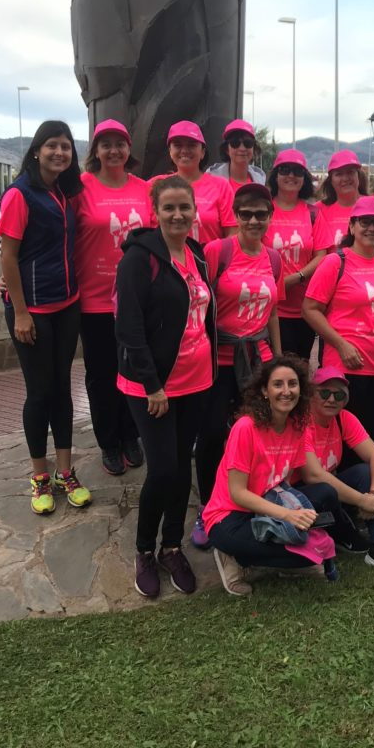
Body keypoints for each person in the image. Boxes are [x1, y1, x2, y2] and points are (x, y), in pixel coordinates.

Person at [115, 176, 216, 598]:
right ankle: (144, 550)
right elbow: (129, 326)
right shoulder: (139, 259)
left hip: (197, 381)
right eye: (169, 208)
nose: (178, 215)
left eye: (184, 208)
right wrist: (153, 384)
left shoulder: (196, 254)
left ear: (195, 212)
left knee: (180, 469)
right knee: (163, 470)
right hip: (152, 387)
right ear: (155, 211)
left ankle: (172, 546)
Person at [0, 120, 92, 514]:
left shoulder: (65, 194)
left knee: (62, 390)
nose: (59, 153)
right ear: (36, 150)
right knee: (39, 393)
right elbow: (8, 256)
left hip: (66, 305)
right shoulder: (21, 194)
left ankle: (65, 471)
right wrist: (20, 311)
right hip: (31, 311)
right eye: (52, 145)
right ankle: (39, 475)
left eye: (66, 147)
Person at [192, 183, 285, 547]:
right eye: (245, 213)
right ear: (234, 215)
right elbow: (198, 300)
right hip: (219, 359)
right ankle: (207, 507)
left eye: (261, 214)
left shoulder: (274, 259)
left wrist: (277, 361)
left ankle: (250, 497)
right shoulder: (218, 251)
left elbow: (273, 309)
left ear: (269, 218)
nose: (253, 220)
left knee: (255, 434)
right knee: (213, 435)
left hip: (257, 361)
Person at [203, 356, 338, 597]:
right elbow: (238, 493)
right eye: (278, 384)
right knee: (307, 551)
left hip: (269, 504)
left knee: (325, 494)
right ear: (265, 391)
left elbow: (292, 480)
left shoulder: (297, 425)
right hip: (230, 516)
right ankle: (233, 557)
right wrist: (289, 515)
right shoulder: (245, 427)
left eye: (293, 384)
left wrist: (302, 509)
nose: (286, 391)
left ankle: (284, 556)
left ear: (302, 389)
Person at [303, 195, 374, 468]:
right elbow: (310, 309)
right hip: (347, 367)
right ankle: (351, 496)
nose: (372, 228)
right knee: (348, 437)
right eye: (365, 222)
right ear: (352, 227)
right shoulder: (335, 263)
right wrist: (340, 345)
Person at [76, 119, 149, 475]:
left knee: (133, 369)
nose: (114, 150)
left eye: (119, 143)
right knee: (102, 374)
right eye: (105, 144)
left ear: (129, 149)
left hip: (136, 298)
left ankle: (130, 435)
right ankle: (108, 441)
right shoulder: (81, 187)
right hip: (95, 300)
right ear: (96, 151)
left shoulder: (145, 189)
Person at [297, 366, 374, 573]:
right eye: (324, 392)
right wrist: (363, 501)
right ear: (310, 395)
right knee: (324, 489)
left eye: (339, 394)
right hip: (299, 494)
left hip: (328, 492)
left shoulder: (344, 418)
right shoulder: (302, 423)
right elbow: (312, 475)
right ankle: (343, 534)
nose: (332, 399)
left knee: (364, 472)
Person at [266, 149, 324, 360]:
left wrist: (296, 278)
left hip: (304, 308)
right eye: (285, 170)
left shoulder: (313, 213)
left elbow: (321, 255)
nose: (291, 176)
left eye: (297, 171)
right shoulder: (265, 210)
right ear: (275, 176)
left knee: (300, 368)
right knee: (274, 371)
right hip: (270, 309)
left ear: (304, 179)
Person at [151, 120, 236, 244]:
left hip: (210, 262)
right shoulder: (154, 185)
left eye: (191, 145)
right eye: (178, 145)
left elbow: (232, 235)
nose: (185, 150)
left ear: (202, 152)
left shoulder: (221, 186)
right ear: (170, 151)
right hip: (166, 262)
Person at [312, 150, 366, 254]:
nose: (345, 178)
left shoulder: (373, 206)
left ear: (358, 175)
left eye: (350, 172)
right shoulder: (317, 211)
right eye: (339, 174)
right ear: (331, 180)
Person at [206, 119, 266, 188]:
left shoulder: (260, 182)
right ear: (226, 149)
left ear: (254, 148)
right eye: (235, 143)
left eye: (248, 143)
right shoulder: (211, 181)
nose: (242, 148)